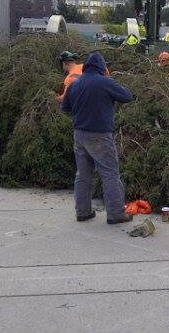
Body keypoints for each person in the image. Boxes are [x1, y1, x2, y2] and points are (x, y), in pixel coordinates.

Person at [61, 51, 134, 224]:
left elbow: (65, 107)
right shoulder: (105, 82)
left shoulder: (75, 84)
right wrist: (108, 80)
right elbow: (127, 96)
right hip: (100, 135)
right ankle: (116, 213)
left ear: (86, 67)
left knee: (83, 174)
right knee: (109, 173)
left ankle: (82, 212)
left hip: (79, 134)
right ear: (102, 68)